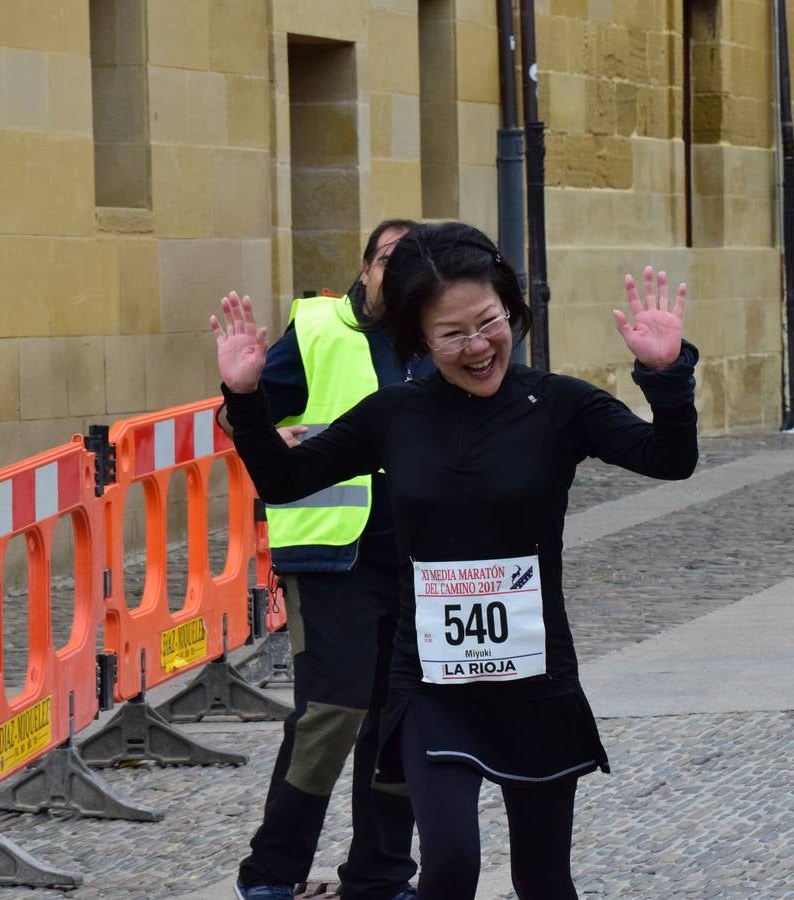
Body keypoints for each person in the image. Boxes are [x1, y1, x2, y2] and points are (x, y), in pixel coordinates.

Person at [213, 222, 696, 900]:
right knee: (447, 867)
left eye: (489, 323)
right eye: (452, 334)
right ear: (420, 339)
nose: (477, 347)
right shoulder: (394, 415)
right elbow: (286, 481)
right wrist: (245, 398)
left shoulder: (558, 405)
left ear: (513, 313)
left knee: (544, 880)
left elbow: (671, 460)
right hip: (433, 684)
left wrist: (667, 376)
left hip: (535, 676)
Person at [228, 219, 426, 900]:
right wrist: (252, 409)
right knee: (331, 716)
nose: (396, 275)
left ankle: (380, 874)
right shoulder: (317, 328)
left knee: (401, 721)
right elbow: (247, 418)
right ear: (366, 268)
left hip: (419, 564)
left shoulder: (439, 338)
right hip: (331, 557)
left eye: (412, 263)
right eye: (387, 261)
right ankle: (271, 874)